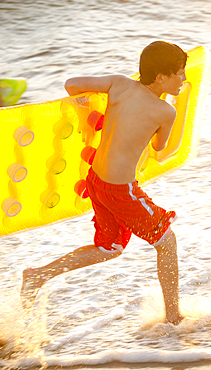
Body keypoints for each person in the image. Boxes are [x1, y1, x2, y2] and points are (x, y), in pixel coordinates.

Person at [21, 41, 187, 325]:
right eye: (180, 73)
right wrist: (176, 107)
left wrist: (96, 113)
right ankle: (174, 318)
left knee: (110, 247)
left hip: (96, 181)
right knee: (167, 242)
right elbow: (161, 150)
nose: (184, 79)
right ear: (161, 77)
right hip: (121, 191)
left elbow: (72, 85)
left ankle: (39, 275)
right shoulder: (164, 111)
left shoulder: (119, 85)